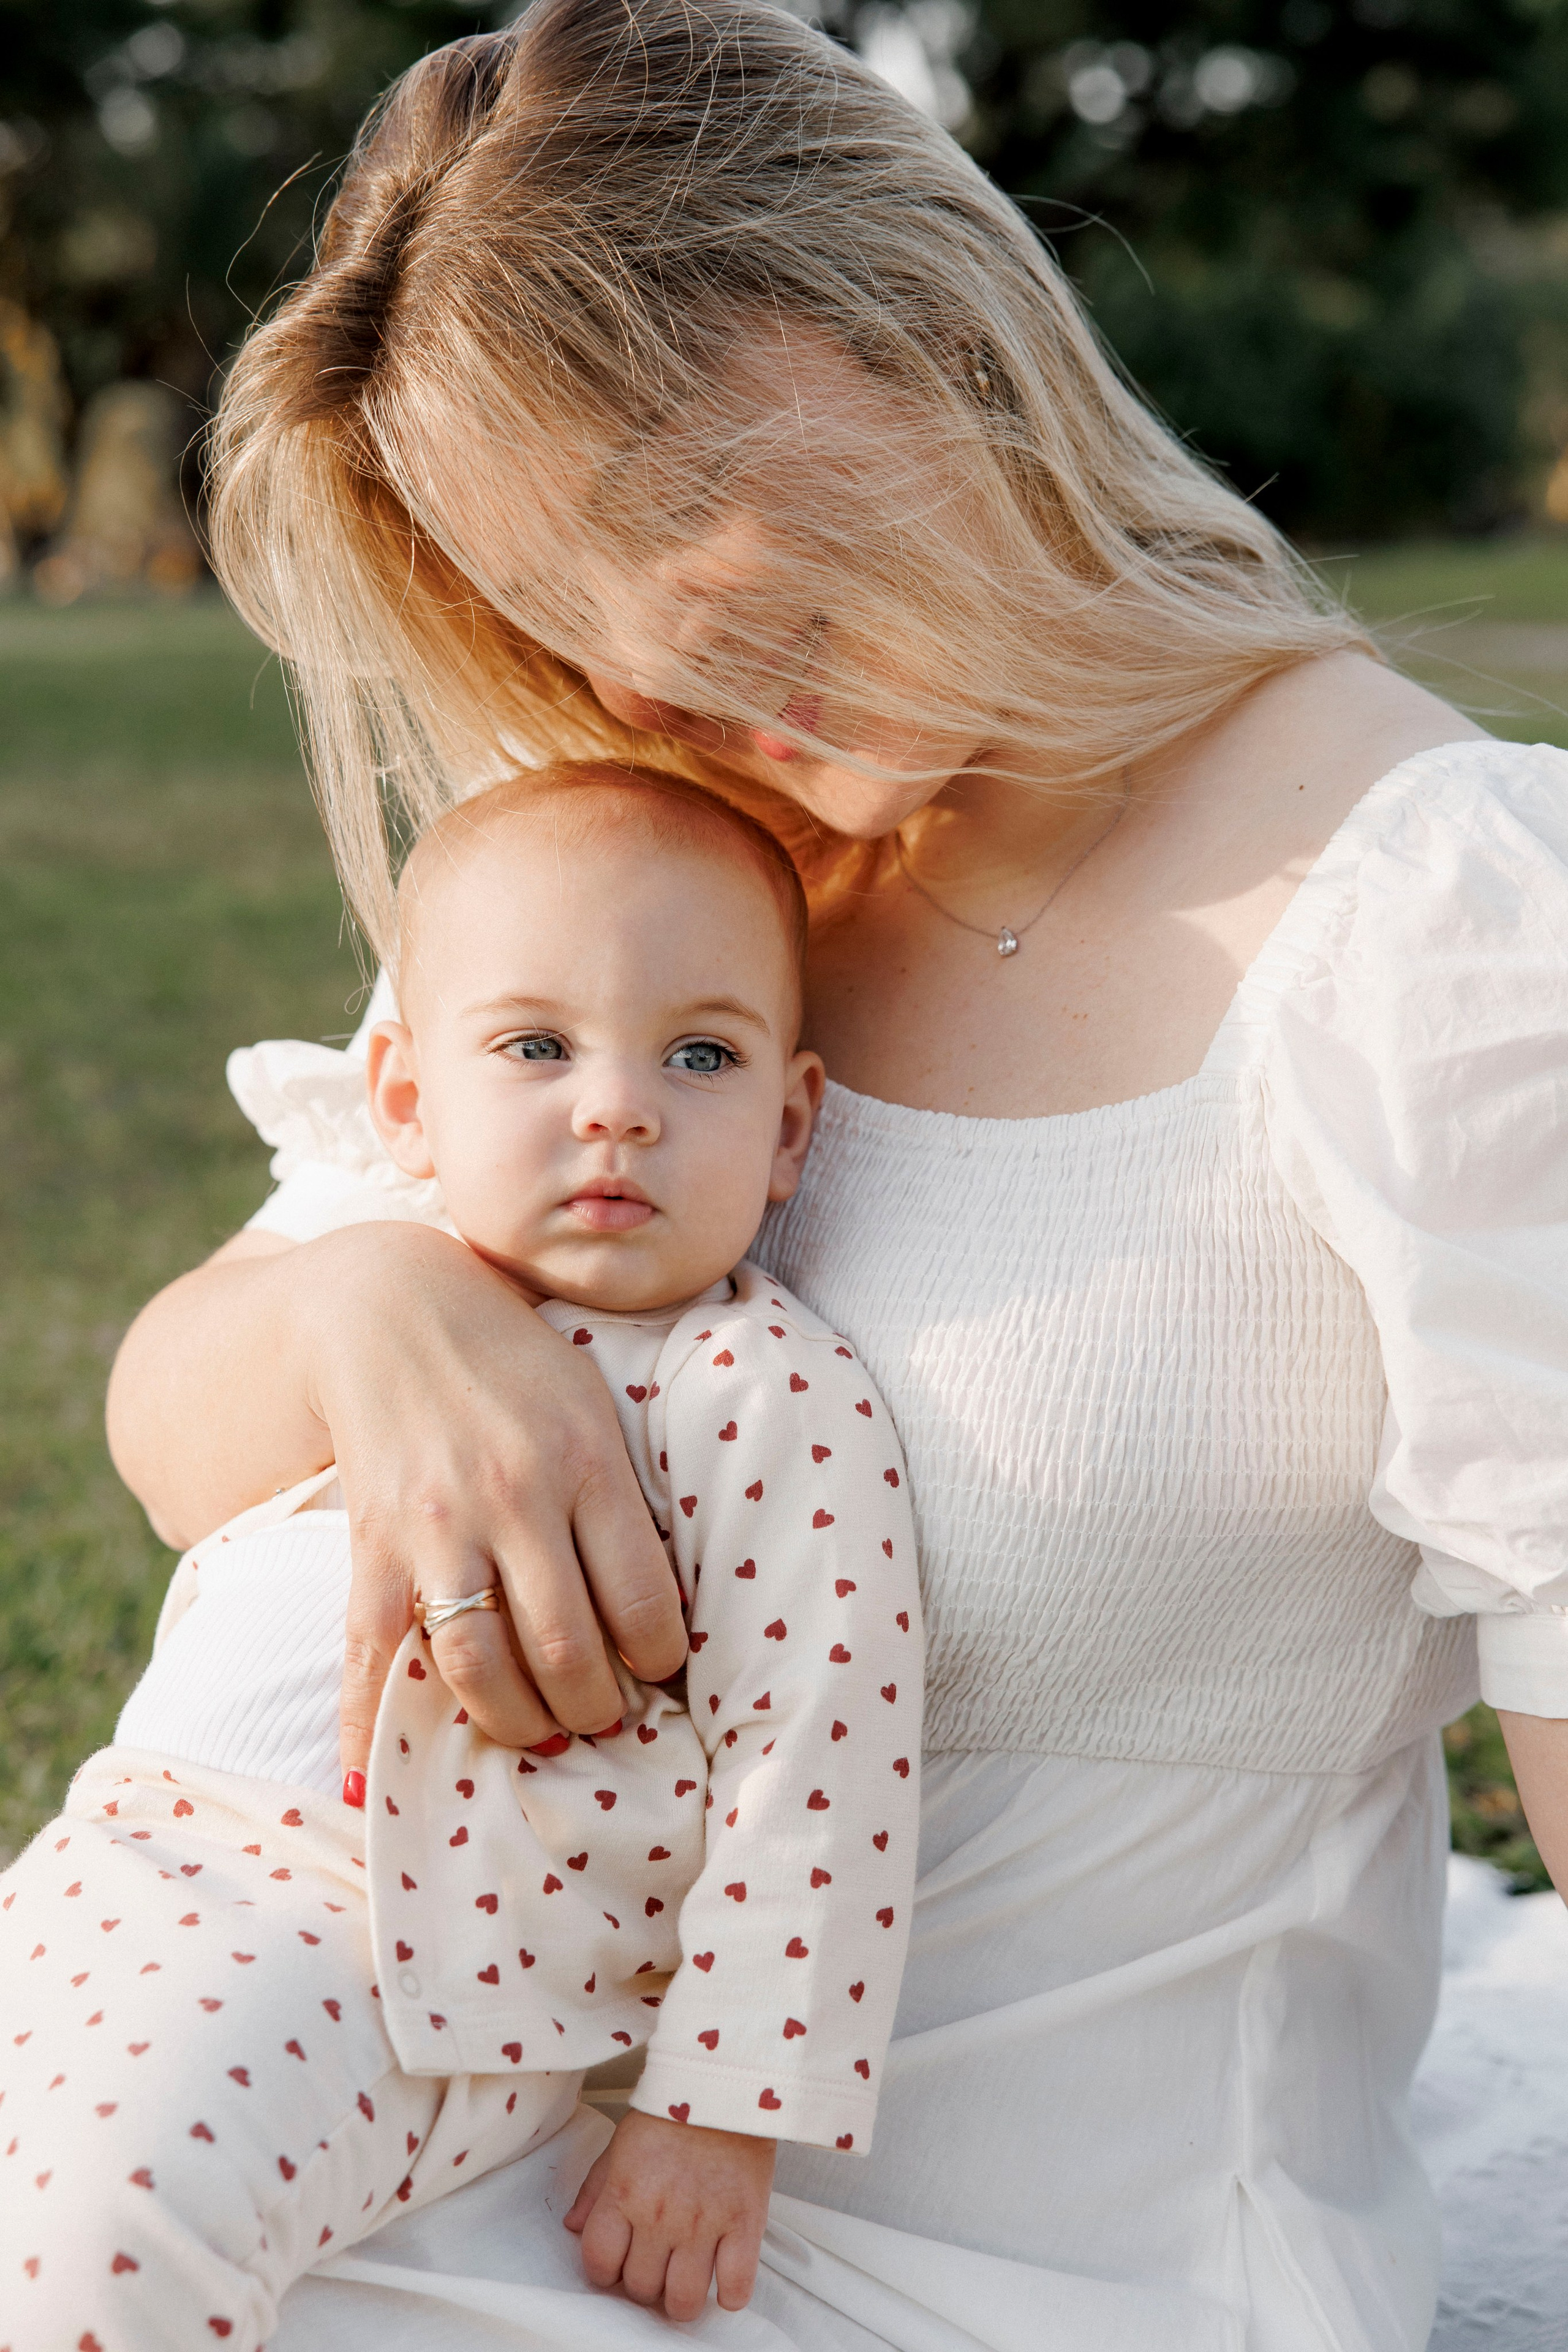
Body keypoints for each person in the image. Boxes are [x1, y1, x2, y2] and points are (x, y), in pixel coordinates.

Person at [98, 1, 1568, 2344]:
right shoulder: (679, 862)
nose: (633, 654)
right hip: (394, 2127)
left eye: (672, 508)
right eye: (549, 597)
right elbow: (176, 1428)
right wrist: (376, 1313)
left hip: (998, 2274)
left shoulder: (1438, 924)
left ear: (902, 313)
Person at [0, 765, 921, 2348]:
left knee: (105, 2234)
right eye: (538, 1049)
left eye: (698, 1055)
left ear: (789, 1127)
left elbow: (822, 1763)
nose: (618, 1104)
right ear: (410, 1103)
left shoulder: (760, 1390)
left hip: (389, 1956)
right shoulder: (378, 1289)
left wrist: (721, 2105)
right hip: (126, 1842)